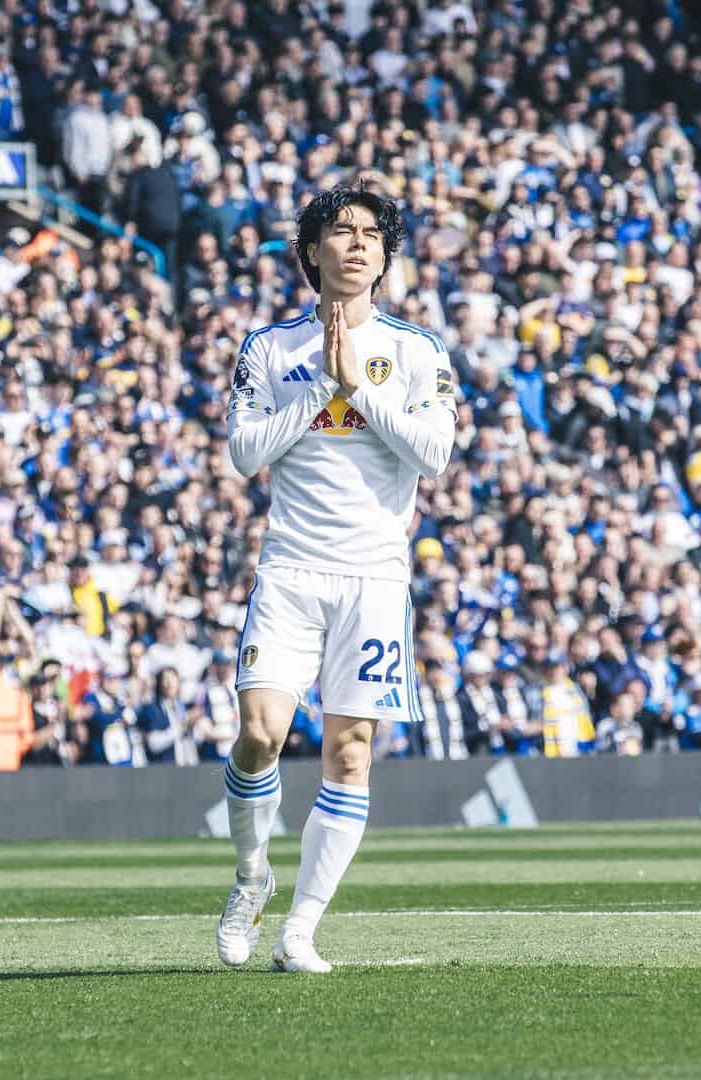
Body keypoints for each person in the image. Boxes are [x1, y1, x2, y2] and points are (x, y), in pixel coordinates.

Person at [216, 186, 455, 974]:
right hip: (290, 569)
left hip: (374, 578)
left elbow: (434, 455)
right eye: (340, 231)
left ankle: (301, 930)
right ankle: (251, 875)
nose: (356, 243)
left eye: (370, 235)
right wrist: (324, 386)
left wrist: (360, 385)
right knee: (260, 734)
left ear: (385, 258)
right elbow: (246, 454)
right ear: (312, 250)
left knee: (350, 756)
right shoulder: (269, 345)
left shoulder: (418, 349)